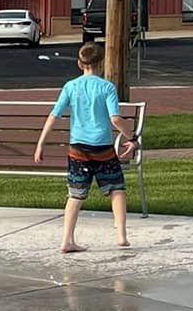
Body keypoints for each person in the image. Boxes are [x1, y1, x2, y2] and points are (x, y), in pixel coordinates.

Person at [33, 41, 135, 255]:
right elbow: (115, 119)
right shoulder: (107, 87)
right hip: (103, 147)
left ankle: (67, 240)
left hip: (77, 149)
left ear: (80, 63)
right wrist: (132, 136)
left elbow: (54, 115)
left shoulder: (70, 86)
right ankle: (121, 235)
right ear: (101, 63)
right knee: (116, 188)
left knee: (75, 194)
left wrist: (41, 143)